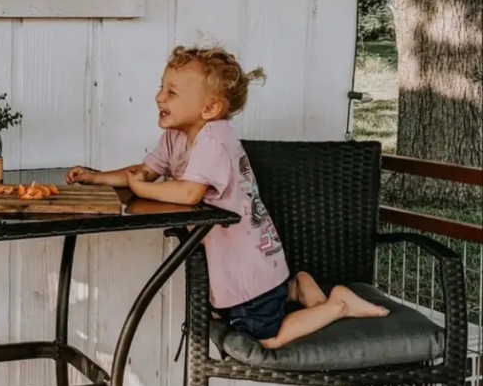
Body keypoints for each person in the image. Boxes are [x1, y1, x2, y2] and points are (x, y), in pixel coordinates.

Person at [65, 45, 387, 350]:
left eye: (171, 92)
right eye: (161, 87)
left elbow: (189, 192)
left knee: (267, 338)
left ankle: (338, 305)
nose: (158, 96)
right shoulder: (176, 135)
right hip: (253, 266)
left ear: (209, 108)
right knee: (261, 306)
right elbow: (144, 172)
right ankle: (297, 286)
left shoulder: (215, 140)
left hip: (249, 272)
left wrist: (141, 190)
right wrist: (97, 176)